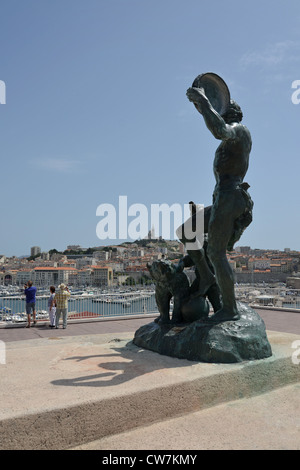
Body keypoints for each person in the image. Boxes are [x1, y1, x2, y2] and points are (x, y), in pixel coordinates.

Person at [177, 86, 253, 322]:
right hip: (222, 198)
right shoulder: (230, 139)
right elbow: (217, 126)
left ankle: (229, 310)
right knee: (186, 231)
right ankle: (207, 276)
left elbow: (218, 129)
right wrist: (202, 106)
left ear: (228, 113)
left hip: (231, 197)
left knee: (216, 252)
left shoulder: (239, 131)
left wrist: (202, 100)